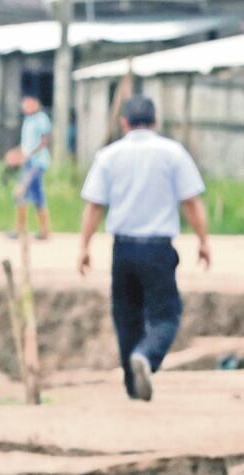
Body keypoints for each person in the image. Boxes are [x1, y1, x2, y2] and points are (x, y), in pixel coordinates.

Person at [77, 95, 211, 401]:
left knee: (127, 317)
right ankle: (147, 357)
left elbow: (94, 205)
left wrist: (84, 247)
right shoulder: (172, 153)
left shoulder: (108, 156)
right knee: (166, 315)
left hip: (122, 249)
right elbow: (190, 201)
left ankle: (132, 387)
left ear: (124, 122)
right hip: (158, 249)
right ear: (156, 121)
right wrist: (203, 241)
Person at [11, 94, 52, 240]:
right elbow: (26, 144)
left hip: (37, 163)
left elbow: (43, 142)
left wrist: (27, 155)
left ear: (35, 102)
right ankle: (45, 231)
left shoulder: (41, 119)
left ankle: (20, 229)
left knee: (20, 192)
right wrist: (16, 153)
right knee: (37, 196)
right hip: (28, 162)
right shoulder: (28, 120)